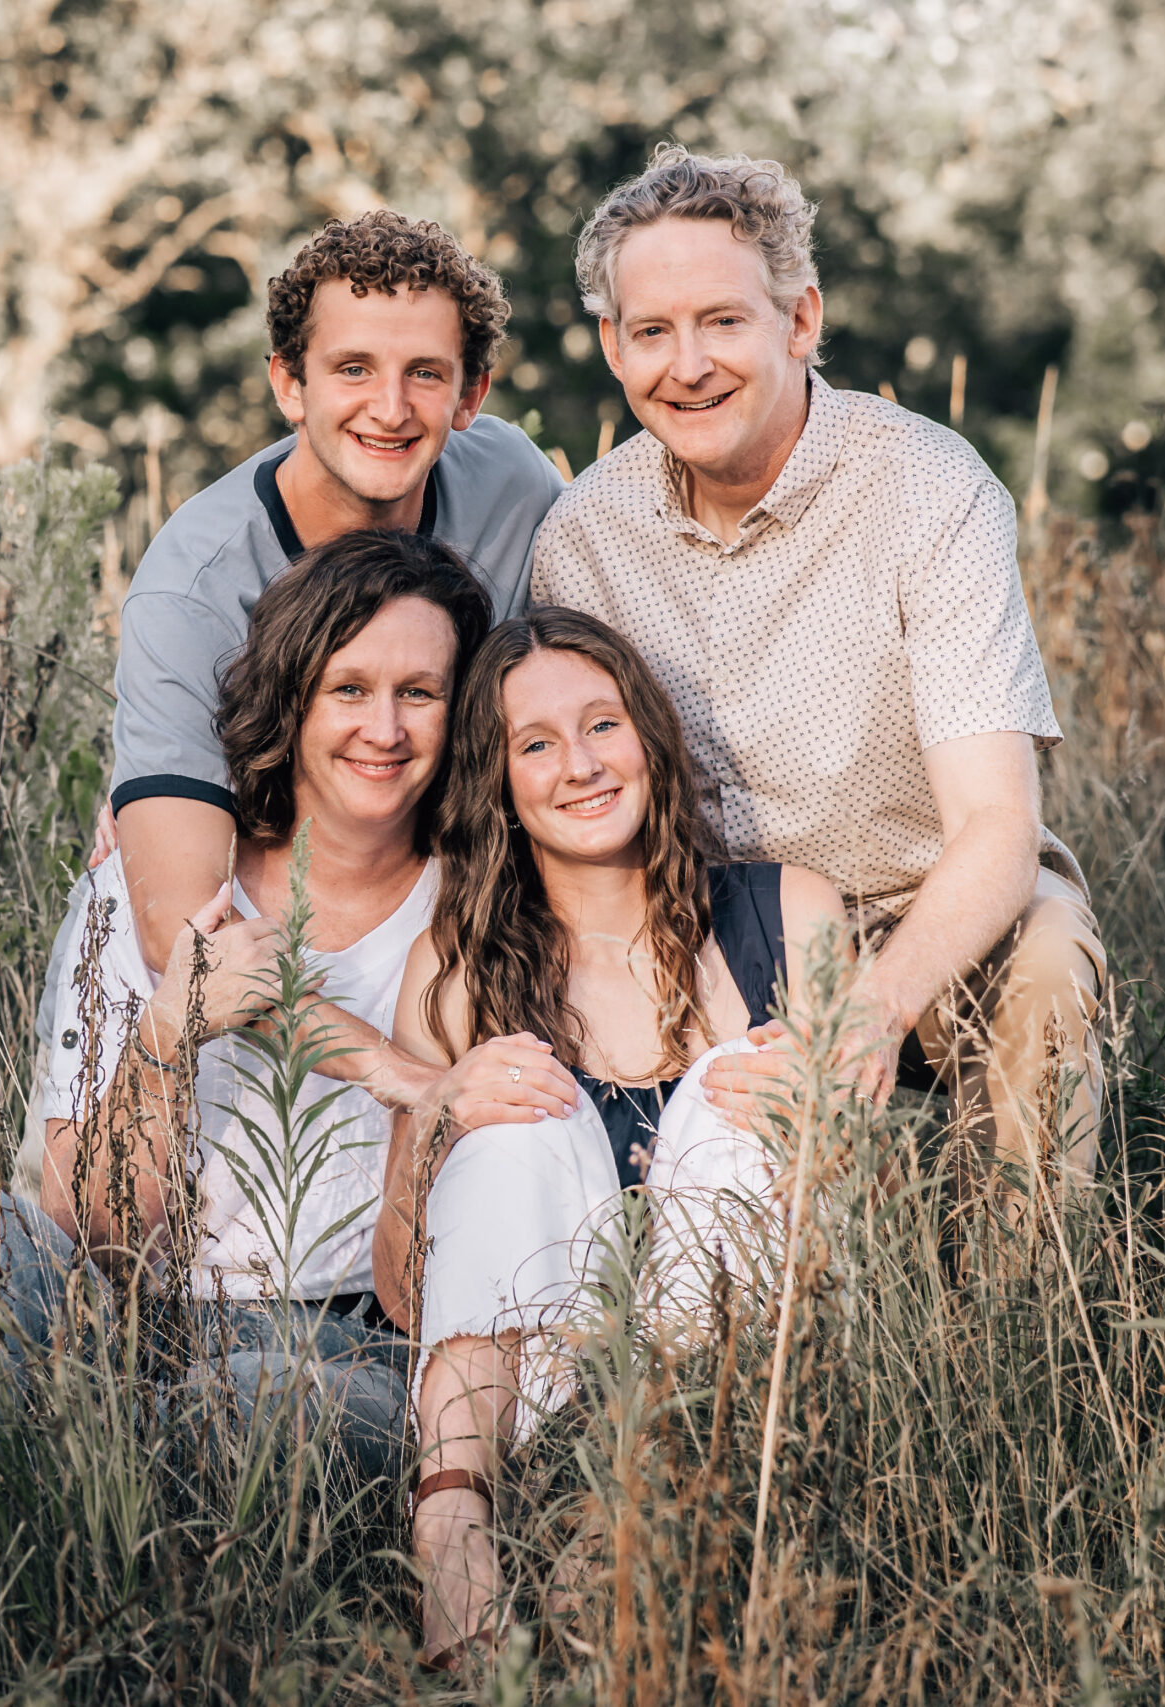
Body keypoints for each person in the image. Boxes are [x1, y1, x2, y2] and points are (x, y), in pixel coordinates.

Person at [531, 145, 1110, 1201]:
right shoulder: (584, 537)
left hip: (934, 907)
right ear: (613, 346)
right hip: (712, 927)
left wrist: (866, 1014)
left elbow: (997, 826)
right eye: (652, 332)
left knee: (1043, 959)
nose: (687, 364)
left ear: (799, 320)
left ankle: (1018, 1325)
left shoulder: (929, 489)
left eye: (722, 322)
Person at [0, 530, 499, 1487]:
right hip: (136, 1307)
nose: (386, 728)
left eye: (421, 693)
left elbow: (420, 1290)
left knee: (250, 1400)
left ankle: (45, 1503)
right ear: (291, 701)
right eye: (349, 689)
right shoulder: (150, 887)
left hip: (347, 1348)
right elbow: (90, 1227)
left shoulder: (477, 912)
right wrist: (167, 1031)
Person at [368, 607, 847, 1665]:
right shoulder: (454, 971)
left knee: (733, 1091)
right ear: (498, 783)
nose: (579, 765)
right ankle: (450, 1516)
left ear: (651, 740)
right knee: (512, 1114)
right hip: (534, 1386)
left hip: (743, 1386)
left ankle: (637, 1511)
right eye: (535, 745)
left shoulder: (791, 916)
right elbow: (406, 1291)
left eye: (603, 725)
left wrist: (826, 1134)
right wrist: (439, 1111)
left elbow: (857, 1229)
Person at [99, 208, 567, 1125]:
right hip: (322, 933)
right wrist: (417, 1084)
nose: (389, 409)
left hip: (475, 915)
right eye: (352, 369)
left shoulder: (512, 483)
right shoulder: (195, 593)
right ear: (289, 383)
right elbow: (189, 949)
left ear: (471, 395)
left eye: (424, 374)